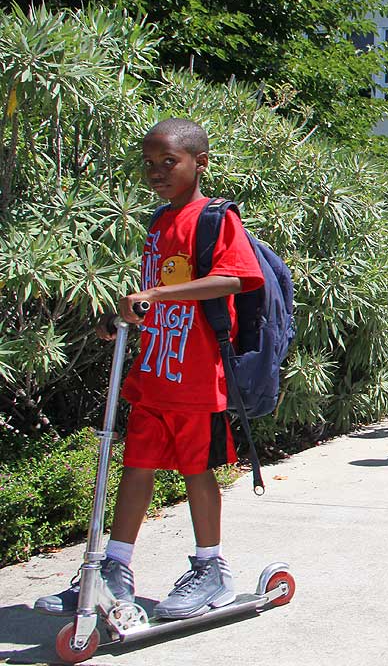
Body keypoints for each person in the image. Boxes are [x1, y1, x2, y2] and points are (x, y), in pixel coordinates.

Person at [36, 118, 264, 619]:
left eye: (169, 162)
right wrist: (122, 317)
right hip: (154, 373)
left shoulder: (216, 218)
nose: (157, 172)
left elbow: (234, 279)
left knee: (196, 471)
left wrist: (155, 294)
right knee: (135, 467)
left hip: (199, 379)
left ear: (199, 164)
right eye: (150, 164)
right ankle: (114, 570)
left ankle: (211, 570)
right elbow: (154, 293)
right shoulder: (160, 222)